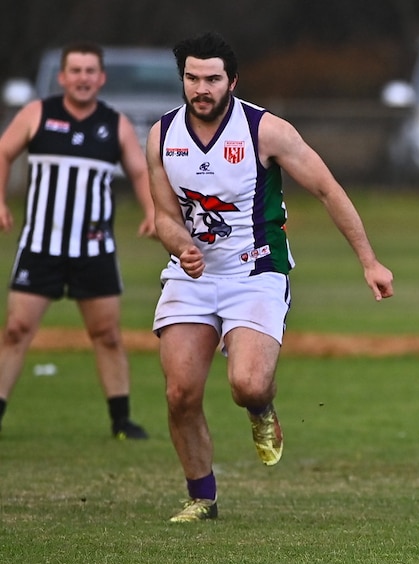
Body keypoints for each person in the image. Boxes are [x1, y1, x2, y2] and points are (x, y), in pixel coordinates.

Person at [147, 32, 394, 523]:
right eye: (193, 78)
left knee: (249, 386)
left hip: (256, 271)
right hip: (192, 277)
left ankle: (262, 411)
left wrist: (369, 261)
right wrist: (180, 246)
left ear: (231, 81)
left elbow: (327, 190)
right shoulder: (161, 135)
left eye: (213, 79)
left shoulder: (266, 131)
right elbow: (163, 216)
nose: (202, 88)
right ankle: (201, 497)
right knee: (180, 393)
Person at [0, 42, 154, 439]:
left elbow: (140, 172)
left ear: (100, 78)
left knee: (107, 335)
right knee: (16, 329)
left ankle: (121, 420)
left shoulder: (114, 123)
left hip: (93, 249)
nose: (83, 78)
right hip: (40, 246)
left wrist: (153, 213)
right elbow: (3, 153)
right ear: (62, 77)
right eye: (76, 71)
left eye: (90, 71)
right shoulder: (38, 113)